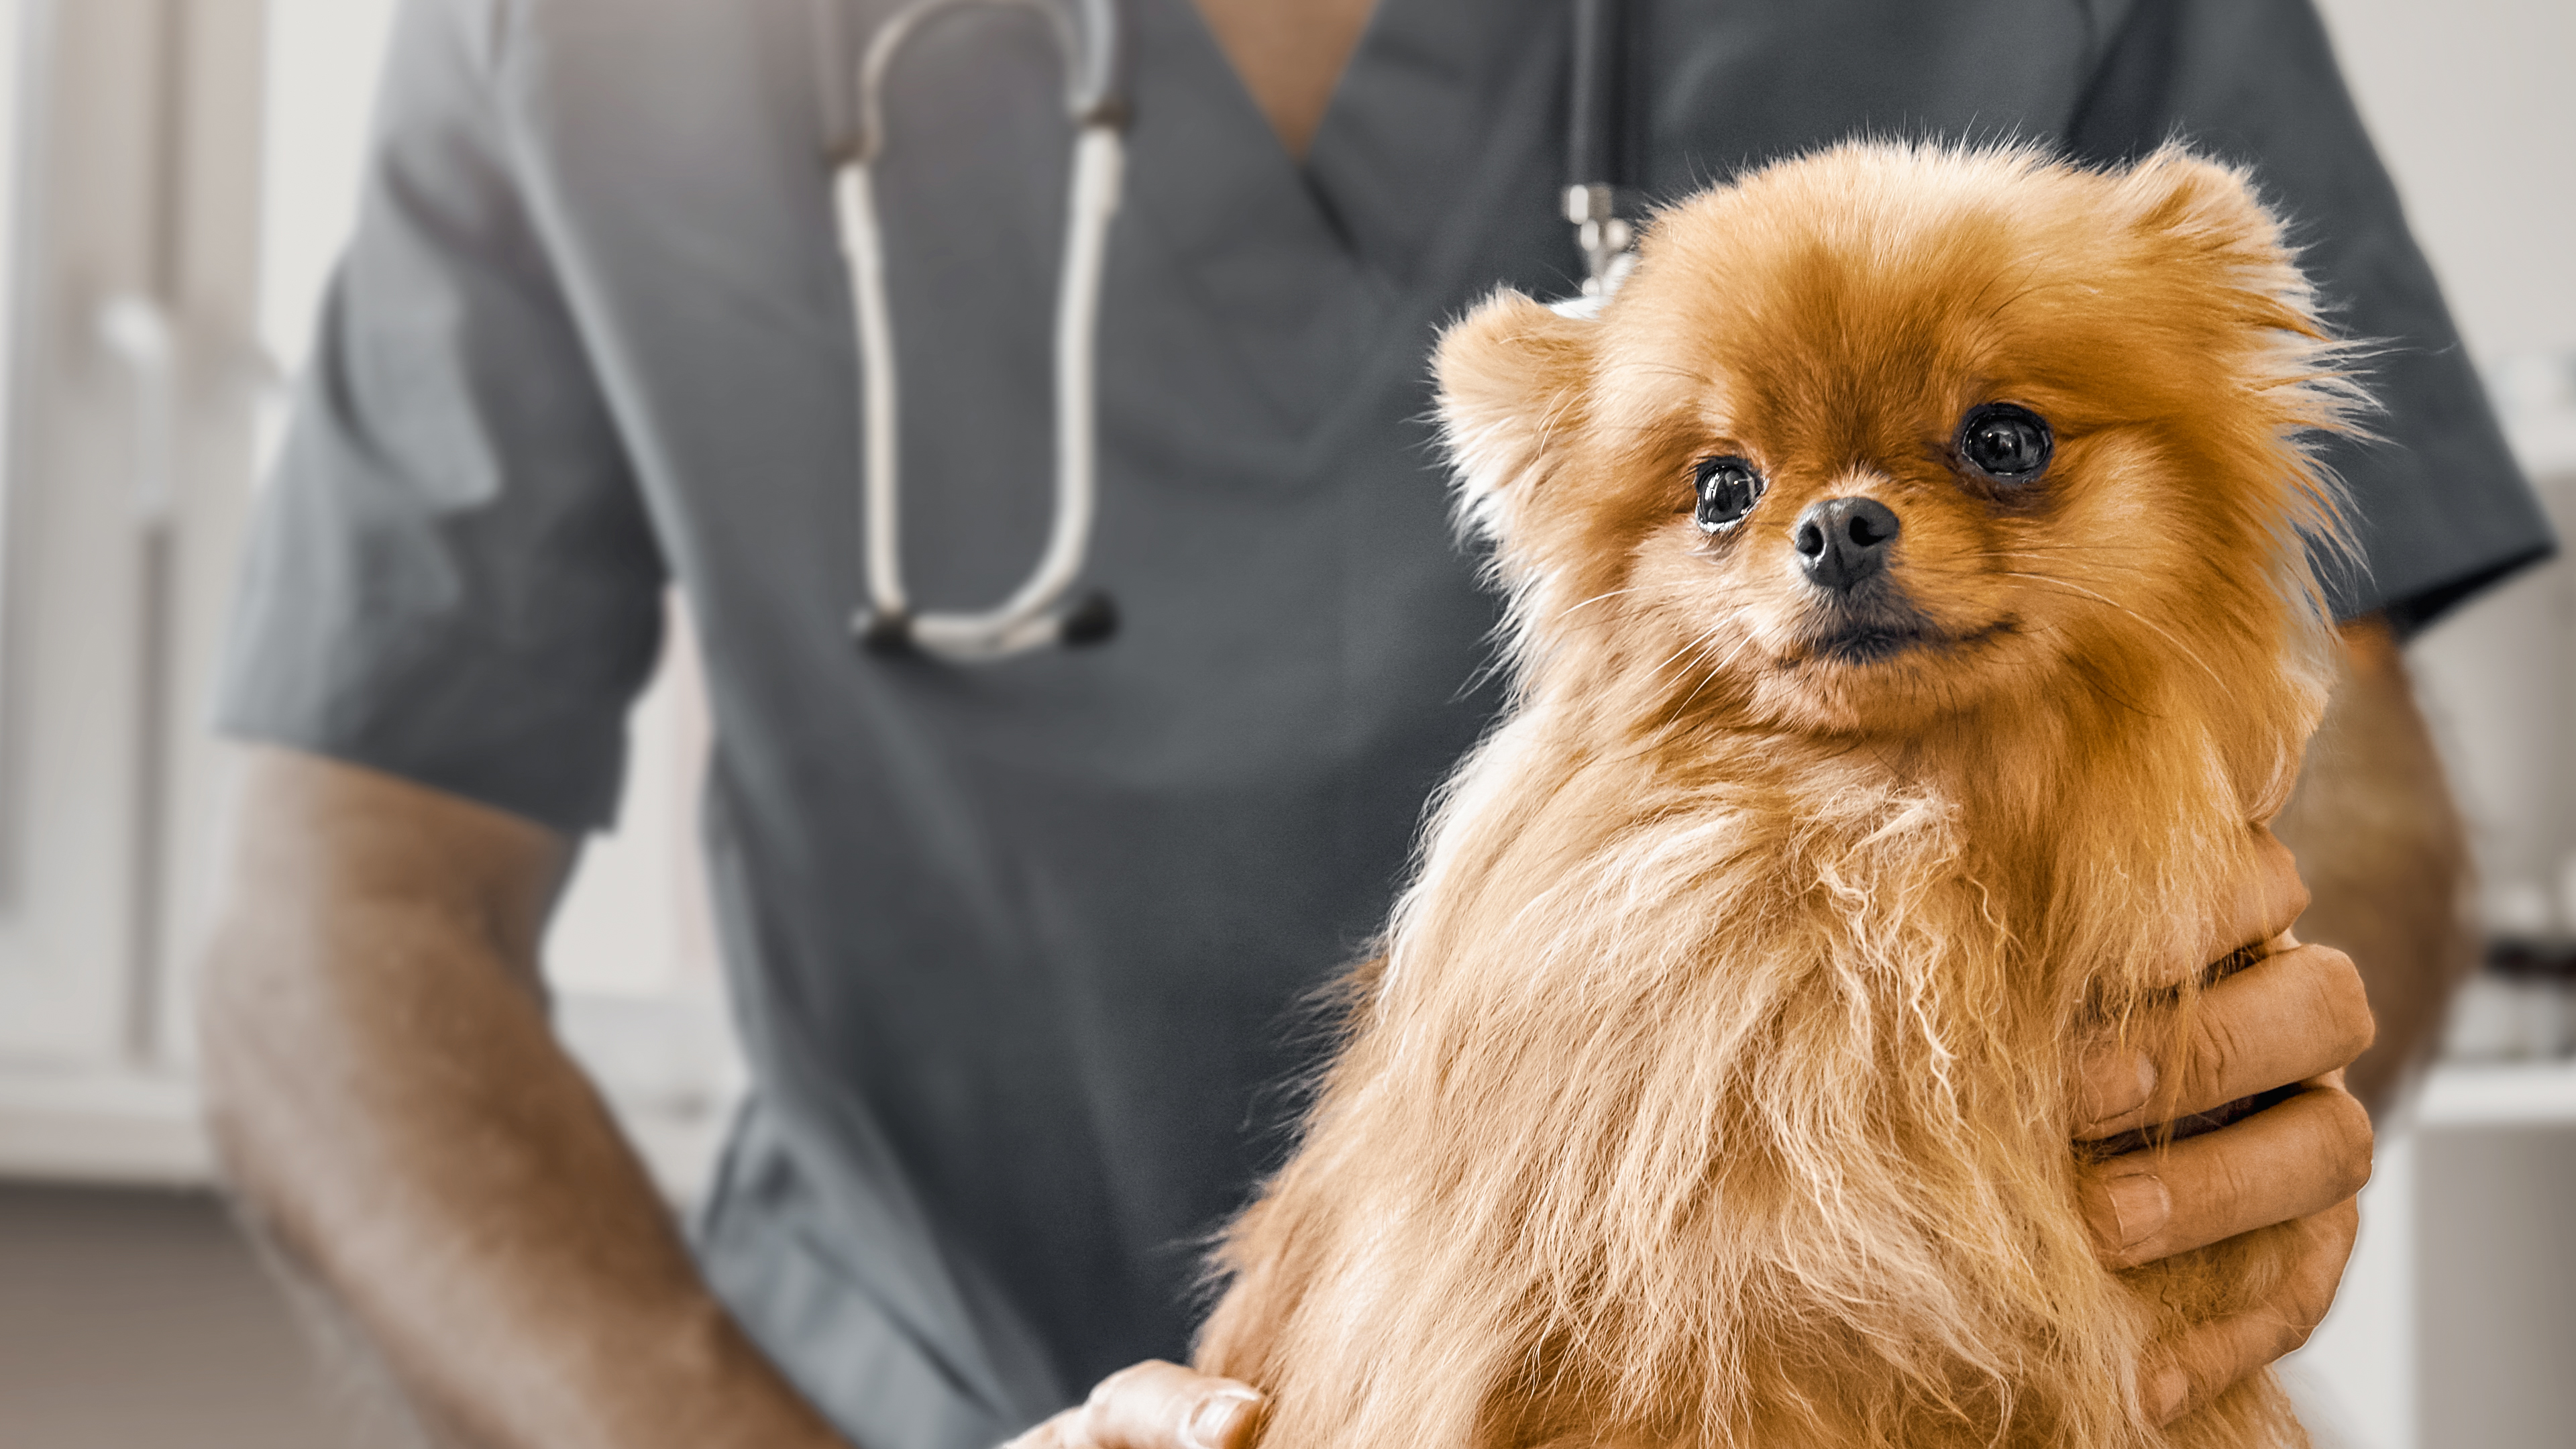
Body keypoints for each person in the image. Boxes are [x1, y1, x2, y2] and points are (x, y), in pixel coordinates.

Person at [197, 1, 2550, 1447]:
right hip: (883, 1397)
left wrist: (2186, 1103)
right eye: (1738, 485)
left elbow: (2318, 706)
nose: (1832, 529)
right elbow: (345, 920)